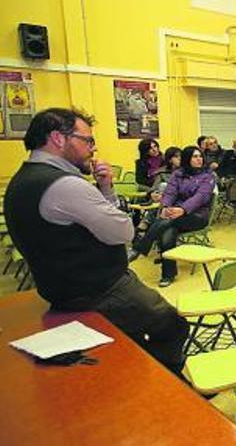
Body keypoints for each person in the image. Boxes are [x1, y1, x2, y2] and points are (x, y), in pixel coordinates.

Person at [4, 108, 188, 374]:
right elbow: (124, 232)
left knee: (137, 336)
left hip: (58, 287)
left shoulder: (24, 179)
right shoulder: (66, 185)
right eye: (87, 140)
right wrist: (108, 192)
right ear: (58, 138)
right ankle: (169, 382)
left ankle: (145, 371)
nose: (93, 147)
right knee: (173, 325)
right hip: (99, 290)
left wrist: (103, 190)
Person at [130, 146, 216, 287]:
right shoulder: (178, 174)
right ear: (187, 159)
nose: (199, 159)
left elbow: (201, 197)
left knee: (166, 223)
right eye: (195, 157)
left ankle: (139, 248)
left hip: (197, 216)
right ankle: (168, 275)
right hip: (175, 215)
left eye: (200, 156)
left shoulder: (208, 176)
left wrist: (182, 209)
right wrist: (165, 207)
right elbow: (170, 193)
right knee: (167, 230)